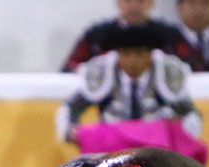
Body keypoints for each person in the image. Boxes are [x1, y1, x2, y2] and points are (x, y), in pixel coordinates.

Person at [55, 23, 201, 145]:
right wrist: (69, 131)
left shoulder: (165, 73)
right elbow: (71, 107)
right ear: (117, 55)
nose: (132, 60)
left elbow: (190, 113)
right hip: (112, 150)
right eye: (126, 54)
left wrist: (180, 135)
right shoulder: (103, 72)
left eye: (139, 53)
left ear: (150, 55)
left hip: (155, 152)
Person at [61, 0, 179, 73]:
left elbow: (188, 70)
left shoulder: (168, 36)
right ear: (118, 2)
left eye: (140, 1)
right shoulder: (96, 36)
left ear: (151, 3)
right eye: (128, 0)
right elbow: (70, 68)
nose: (134, 6)